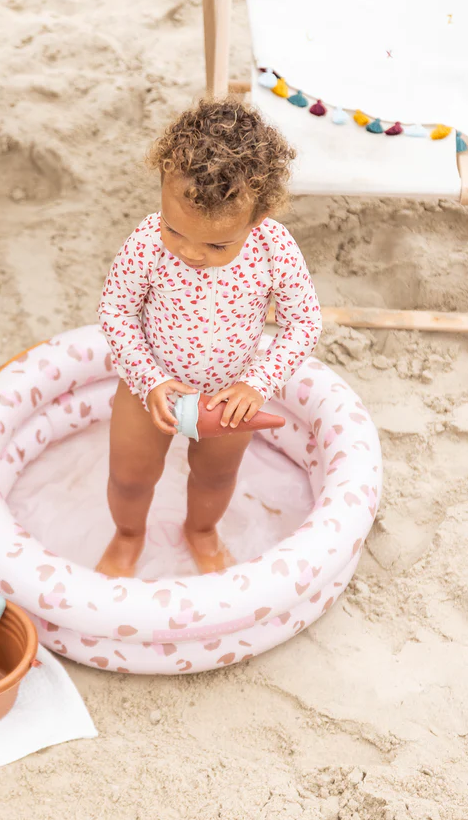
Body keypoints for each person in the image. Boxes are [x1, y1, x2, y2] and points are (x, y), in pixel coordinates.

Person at [96, 98, 321, 577]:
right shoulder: (146, 242)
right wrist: (149, 379)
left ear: (258, 216)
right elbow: (116, 310)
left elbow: (303, 322)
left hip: (228, 394)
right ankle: (128, 534)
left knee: (215, 476)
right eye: (176, 232)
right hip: (149, 388)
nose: (191, 253)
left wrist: (257, 384)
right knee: (130, 476)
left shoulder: (272, 247)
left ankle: (201, 530)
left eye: (218, 244)